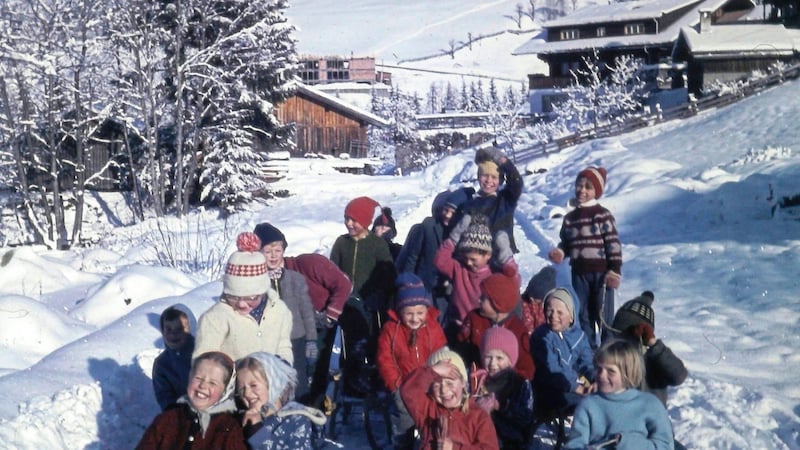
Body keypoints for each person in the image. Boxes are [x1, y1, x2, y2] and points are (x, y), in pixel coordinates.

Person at [548, 166, 622, 349]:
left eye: (588, 187)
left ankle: (608, 349)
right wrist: (560, 252)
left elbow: (613, 243)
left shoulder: (602, 215)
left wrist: (614, 271)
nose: (582, 190)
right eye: (579, 185)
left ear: (596, 191)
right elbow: (566, 242)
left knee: (603, 314)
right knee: (583, 314)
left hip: (601, 273)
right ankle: (589, 349)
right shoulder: (570, 218)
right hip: (579, 273)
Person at [329, 196, 397, 394]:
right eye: (346, 219)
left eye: (354, 220)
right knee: (349, 342)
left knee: (373, 340)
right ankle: (351, 379)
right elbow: (332, 270)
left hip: (371, 305)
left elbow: (388, 273)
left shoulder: (377, 244)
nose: (349, 224)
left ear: (366, 222)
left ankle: (375, 377)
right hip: (347, 304)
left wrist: (377, 293)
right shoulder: (342, 243)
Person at [194, 232, 293, 363]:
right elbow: (203, 362)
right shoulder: (215, 318)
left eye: (250, 298)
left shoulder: (279, 311)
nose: (241, 304)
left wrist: (282, 368)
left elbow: (283, 346)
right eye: (233, 297)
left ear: (263, 292)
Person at [376, 272, 447, 449]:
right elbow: (385, 359)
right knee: (404, 415)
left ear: (426, 310)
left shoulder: (433, 328)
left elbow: (441, 353)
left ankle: (430, 441)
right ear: (400, 311)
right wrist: (396, 385)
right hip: (403, 384)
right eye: (409, 313)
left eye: (419, 313)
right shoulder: (391, 330)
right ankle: (402, 442)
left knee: (435, 415)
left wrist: (439, 377)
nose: (415, 318)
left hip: (430, 382)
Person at [564, 340, 674, 450]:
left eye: (610, 371)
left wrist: (629, 443)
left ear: (628, 373)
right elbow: (574, 444)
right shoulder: (589, 405)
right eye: (598, 368)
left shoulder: (650, 404)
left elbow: (665, 446)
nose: (602, 375)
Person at [252, 223, 318, 402]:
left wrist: (311, 340)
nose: (273, 255)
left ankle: (303, 415)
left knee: (300, 380)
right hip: (269, 342)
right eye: (268, 251)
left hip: (296, 339)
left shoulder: (295, 279)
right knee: (273, 381)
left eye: (278, 250)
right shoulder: (256, 283)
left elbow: (307, 311)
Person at [136, 351, 247, 450]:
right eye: (198, 378)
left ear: (225, 390)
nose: (203, 385)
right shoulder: (167, 420)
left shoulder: (229, 429)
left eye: (212, 383)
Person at [395, 188, 472, 325]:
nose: (447, 215)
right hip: (425, 284)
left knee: (445, 321)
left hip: (448, 287)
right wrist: (408, 282)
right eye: (444, 210)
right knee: (425, 321)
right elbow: (413, 257)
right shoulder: (428, 227)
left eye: (452, 212)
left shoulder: (461, 232)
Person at [434, 213, 514, 342]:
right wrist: (454, 238)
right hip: (459, 325)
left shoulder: (492, 275)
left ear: (487, 255)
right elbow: (440, 261)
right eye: (466, 258)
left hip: (485, 328)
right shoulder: (459, 268)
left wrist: (506, 256)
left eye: (473, 259)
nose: (469, 262)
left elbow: (513, 280)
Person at [400, 346, 499, 450]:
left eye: (450, 383)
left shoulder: (478, 416)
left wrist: (455, 448)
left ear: (463, 383)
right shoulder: (427, 409)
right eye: (437, 384)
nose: (444, 390)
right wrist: (433, 370)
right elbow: (407, 391)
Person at [235, 352, 329, 450]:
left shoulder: (297, 421)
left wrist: (257, 432)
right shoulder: (243, 420)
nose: (246, 393)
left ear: (274, 383)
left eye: (254, 385)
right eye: (241, 389)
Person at [456, 273, 533, 380]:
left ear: (497, 303)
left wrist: (511, 380)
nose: (479, 300)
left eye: (483, 298)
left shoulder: (517, 329)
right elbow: (460, 349)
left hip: (506, 385)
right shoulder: (474, 318)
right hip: (475, 379)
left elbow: (526, 367)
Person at [530, 287, 594, 414]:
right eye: (549, 310)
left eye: (560, 313)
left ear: (571, 317)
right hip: (547, 389)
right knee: (588, 404)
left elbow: (587, 363)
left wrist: (596, 378)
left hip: (569, 385)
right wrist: (578, 388)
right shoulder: (542, 336)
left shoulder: (579, 336)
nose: (554, 316)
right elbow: (552, 369)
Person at [471, 327, 534, 450]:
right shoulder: (476, 379)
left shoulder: (520, 384)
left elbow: (526, 417)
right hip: (478, 435)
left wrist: (501, 407)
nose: (493, 363)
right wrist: (475, 407)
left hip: (509, 438)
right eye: (488, 357)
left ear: (511, 360)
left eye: (499, 358)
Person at [460, 144, 523, 263]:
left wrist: (502, 160)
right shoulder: (470, 204)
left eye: (494, 177)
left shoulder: (505, 200)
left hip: (501, 261)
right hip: (476, 263)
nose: (489, 181)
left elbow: (516, 182)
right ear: (478, 177)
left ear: (500, 181)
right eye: (485, 176)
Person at [152, 305, 196, 411]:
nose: (173, 334)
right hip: (183, 413)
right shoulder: (161, 364)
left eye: (179, 329)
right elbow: (164, 396)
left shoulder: (202, 355)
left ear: (190, 329)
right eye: (168, 329)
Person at [520, 266, 557, 337]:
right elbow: (527, 324)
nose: (531, 299)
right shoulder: (524, 303)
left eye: (534, 298)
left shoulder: (550, 308)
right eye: (530, 295)